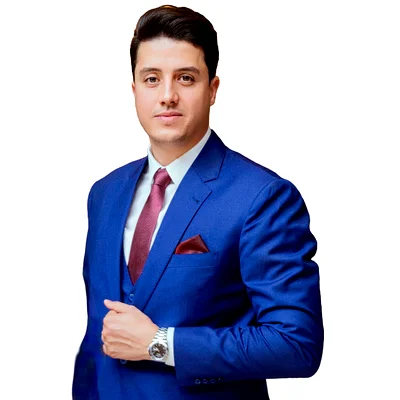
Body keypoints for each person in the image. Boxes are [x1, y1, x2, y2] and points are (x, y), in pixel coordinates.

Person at [72, 5, 324, 400]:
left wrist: (160, 343)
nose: (167, 96)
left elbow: (296, 344)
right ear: (134, 90)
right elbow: (97, 338)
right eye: (152, 79)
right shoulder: (104, 193)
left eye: (185, 78)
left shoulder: (263, 197)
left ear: (213, 89)